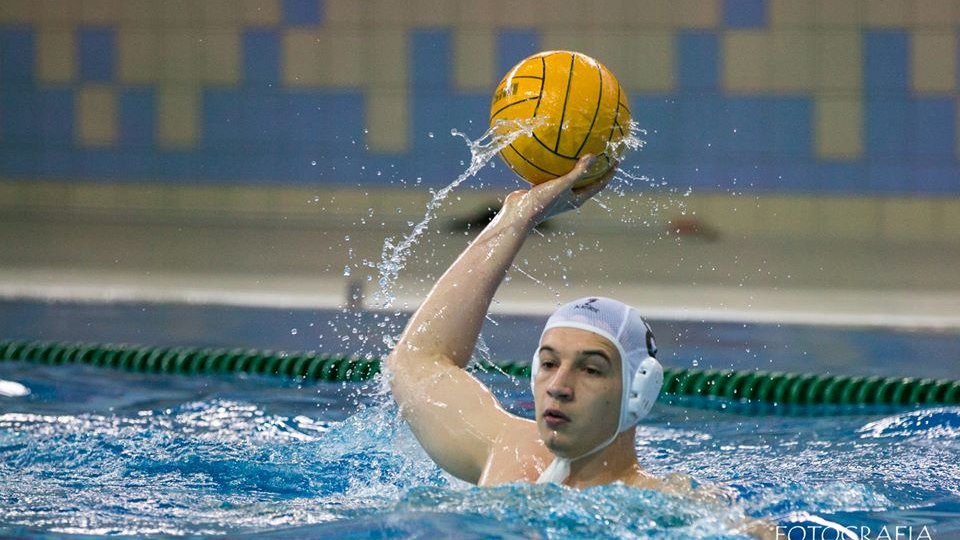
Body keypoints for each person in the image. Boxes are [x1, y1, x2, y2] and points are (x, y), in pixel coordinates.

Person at [385, 154, 776, 537]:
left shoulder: (674, 508)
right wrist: (518, 217)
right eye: (549, 363)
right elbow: (416, 360)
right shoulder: (510, 452)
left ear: (638, 391)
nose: (559, 386)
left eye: (590, 369)